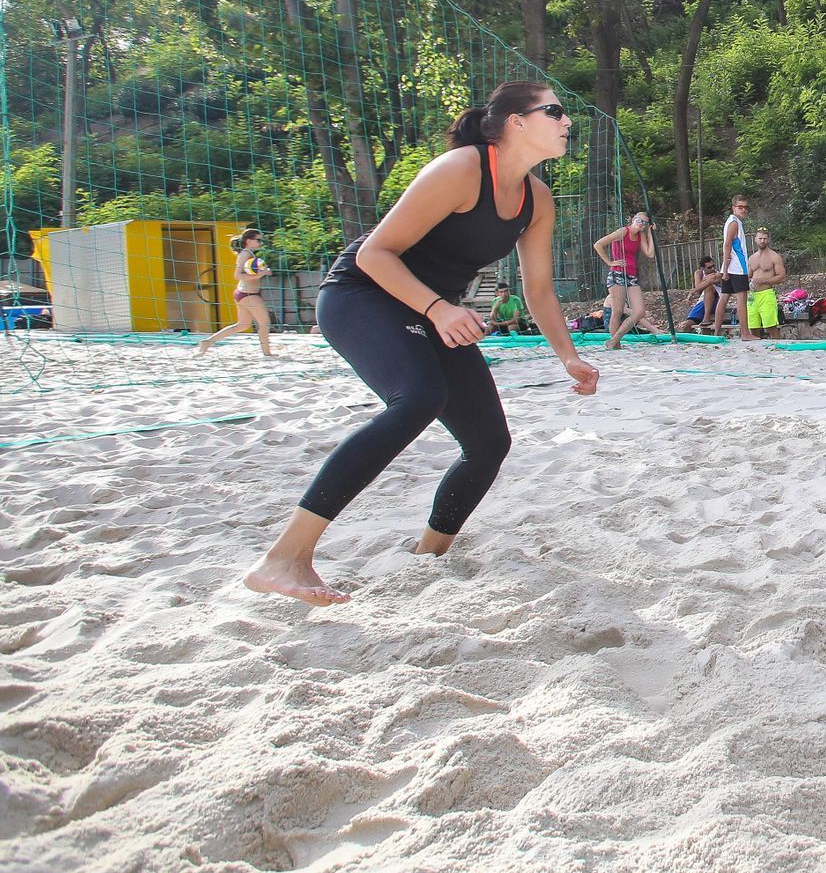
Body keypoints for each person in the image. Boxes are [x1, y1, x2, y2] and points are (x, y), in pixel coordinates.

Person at [243, 81, 599, 606]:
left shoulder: (536, 198)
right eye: (555, 110)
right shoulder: (460, 170)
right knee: (419, 397)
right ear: (516, 122)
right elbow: (375, 254)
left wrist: (568, 356)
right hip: (364, 293)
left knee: (489, 443)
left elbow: (539, 289)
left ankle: (428, 556)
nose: (567, 122)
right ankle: (285, 558)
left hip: (434, 310)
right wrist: (438, 308)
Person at [198, 228, 276, 357]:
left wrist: (262, 272)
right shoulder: (246, 254)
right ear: (249, 240)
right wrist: (261, 274)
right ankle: (267, 353)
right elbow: (237, 275)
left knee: (242, 325)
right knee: (264, 323)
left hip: (244, 293)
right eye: (259, 240)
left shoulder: (249, 254)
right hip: (248, 294)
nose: (261, 243)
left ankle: (207, 342)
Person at [594, 210, 657, 349]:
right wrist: (610, 262)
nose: (641, 224)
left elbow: (650, 253)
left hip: (631, 276)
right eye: (639, 220)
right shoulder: (623, 231)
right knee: (617, 311)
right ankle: (615, 345)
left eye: (645, 223)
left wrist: (650, 234)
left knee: (639, 311)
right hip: (617, 275)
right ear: (633, 219)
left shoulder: (641, 235)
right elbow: (598, 244)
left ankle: (614, 339)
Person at [713, 195, 756, 339]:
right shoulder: (734, 223)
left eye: (745, 207)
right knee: (741, 297)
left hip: (731, 266)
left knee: (724, 296)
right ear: (734, 208)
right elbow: (727, 244)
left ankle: (716, 331)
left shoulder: (733, 221)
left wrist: (725, 268)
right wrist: (725, 270)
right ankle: (745, 333)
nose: (743, 210)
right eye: (740, 207)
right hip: (737, 267)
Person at [745, 227, 786, 339]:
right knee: (753, 327)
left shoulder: (774, 256)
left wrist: (763, 280)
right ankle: (756, 350)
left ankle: (778, 346)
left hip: (766, 294)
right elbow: (748, 276)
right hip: (752, 295)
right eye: (760, 238)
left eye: (765, 238)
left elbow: (781, 277)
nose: (762, 241)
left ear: (768, 240)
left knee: (771, 326)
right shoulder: (751, 258)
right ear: (755, 239)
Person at [684, 257, 723, 327]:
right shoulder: (699, 273)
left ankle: (706, 318)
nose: (712, 269)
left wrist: (692, 292)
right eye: (709, 267)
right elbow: (698, 291)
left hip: (718, 300)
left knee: (709, 286)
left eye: (713, 266)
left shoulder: (717, 274)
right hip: (703, 301)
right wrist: (704, 280)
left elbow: (710, 281)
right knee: (688, 325)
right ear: (703, 268)